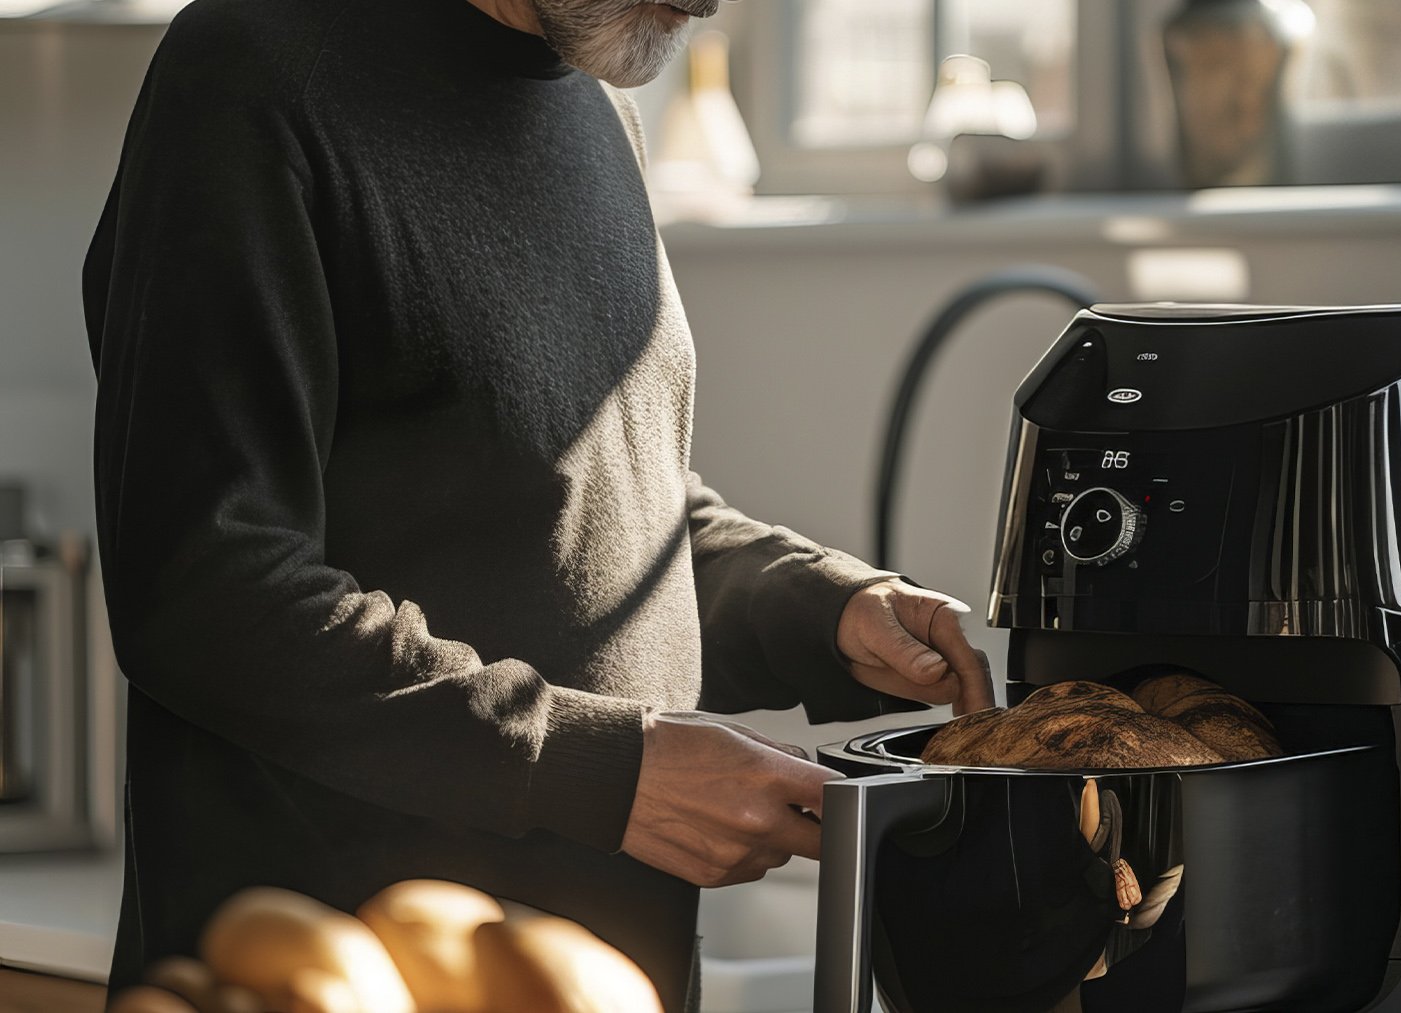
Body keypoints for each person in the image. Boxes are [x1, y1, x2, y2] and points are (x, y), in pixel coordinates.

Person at [81, 0, 994, 1008]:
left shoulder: (598, 98)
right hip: (334, 968)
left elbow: (597, 514)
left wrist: (823, 610)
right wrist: (602, 769)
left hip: (605, 970)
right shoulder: (253, 74)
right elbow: (206, 592)